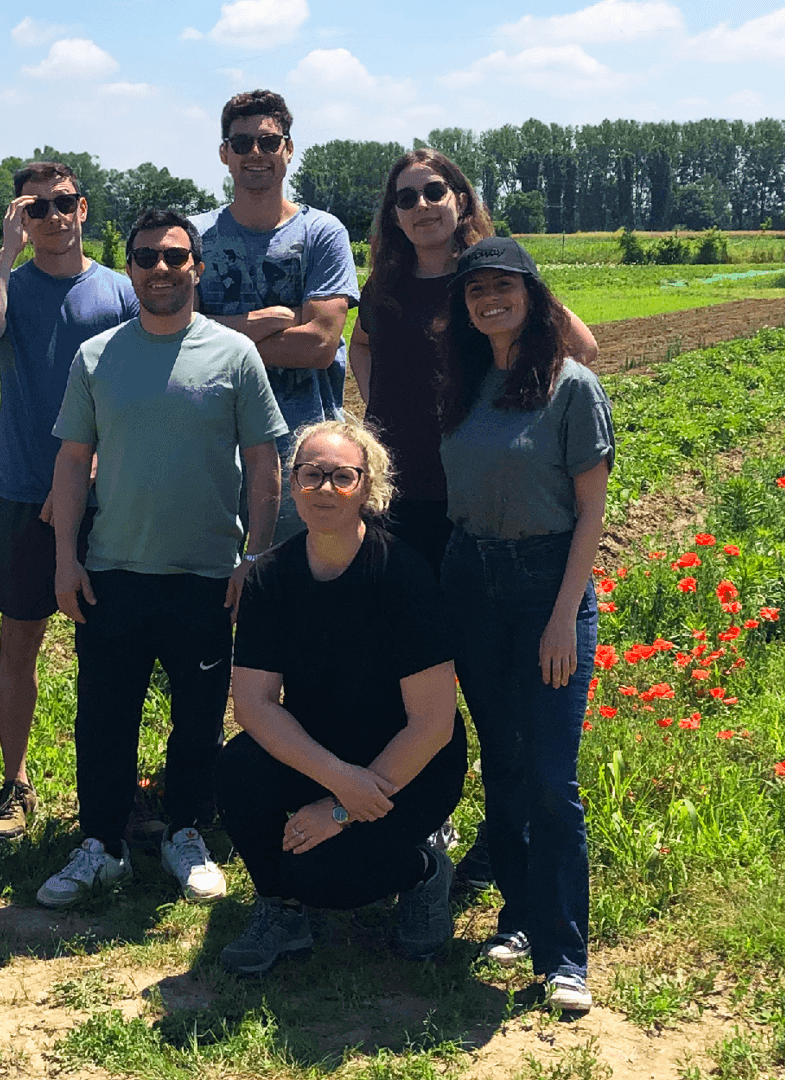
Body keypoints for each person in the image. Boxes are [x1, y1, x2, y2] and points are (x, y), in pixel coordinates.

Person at [350, 149, 600, 895]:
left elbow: (580, 349)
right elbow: (359, 350)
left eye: (437, 190)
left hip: (477, 503)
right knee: (421, 672)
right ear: (393, 215)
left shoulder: (489, 277)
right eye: (407, 196)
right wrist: (387, 422)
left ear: (461, 199)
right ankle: (433, 814)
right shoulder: (387, 290)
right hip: (404, 504)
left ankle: (505, 835)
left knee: (501, 684)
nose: (424, 205)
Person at [39, 209, 287, 909]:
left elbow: (265, 461)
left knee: (200, 715)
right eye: (145, 257)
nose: (160, 269)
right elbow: (71, 460)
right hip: (114, 568)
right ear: (131, 269)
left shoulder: (234, 356)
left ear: (197, 268)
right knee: (103, 716)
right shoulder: (98, 357)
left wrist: (256, 555)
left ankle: (186, 831)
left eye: (175, 257)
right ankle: (101, 843)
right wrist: (66, 557)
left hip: (207, 574)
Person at [217, 419, 465, 976]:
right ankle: (279, 910)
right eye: (312, 474)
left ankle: (424, 871)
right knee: (236, 769)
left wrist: (341, 807)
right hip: (323, 753)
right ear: (295, 485)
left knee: (329, 881)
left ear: (368, 488)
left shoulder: (402, 574)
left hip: (411, 765)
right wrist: (337, 780)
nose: (325, 488)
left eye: (342, 477)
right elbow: (254, 705)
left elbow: (432, 723)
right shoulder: (269, 579)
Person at [438, 237, 613, 1013]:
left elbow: (590, 514)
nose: (489, 300)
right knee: (504, 766)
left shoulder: (572, 388)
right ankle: (516, 914)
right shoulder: (469, 384)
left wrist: (561, 619)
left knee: (550, 775)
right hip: (472, 585)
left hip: (549, 588)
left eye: (504, 287)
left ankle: (564, 952)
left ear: (534, 296)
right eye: (476, 291)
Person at [0, 162, 140, 842]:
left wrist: (88, 472)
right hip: (26, 489)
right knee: (21, 639)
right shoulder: (7, 291)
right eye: (36, 209)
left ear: (84, 208)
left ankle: (118, 784)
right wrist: (4, 259)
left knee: (114, 647)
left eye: (64, 203)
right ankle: (15, 782)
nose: (54, 217)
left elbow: (136, 387)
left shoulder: (119, 291)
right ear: (20, 219)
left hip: (108, 494)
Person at [191, 89, 359, 544]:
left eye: (268, 142)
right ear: (225, 154)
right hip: (210, 452)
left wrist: (214, 336)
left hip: (303, 457)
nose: (256, 154)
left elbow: (319, 346)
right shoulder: (194, 236)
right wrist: (258, 324)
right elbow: (176, 342)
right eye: (242, 144)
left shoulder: (322, 233)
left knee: (298, 597)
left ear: (288, 149)